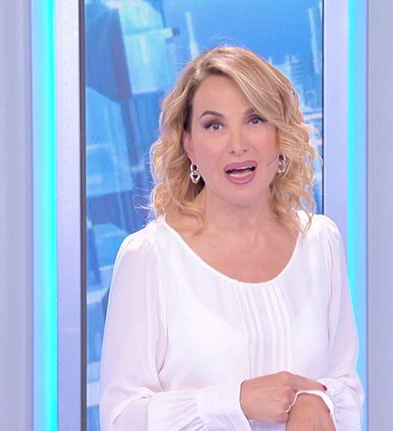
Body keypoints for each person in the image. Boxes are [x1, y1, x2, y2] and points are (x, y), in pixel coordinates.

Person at [99, 46, 363, 431]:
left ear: (280, 135)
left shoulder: (320, 243)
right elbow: (120, 418)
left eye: (255, 119)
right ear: (189, 145)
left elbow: (347, 388)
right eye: (214, 125)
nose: (238, 145)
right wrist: (235, 401)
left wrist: (317, 399)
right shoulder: (149, 256)